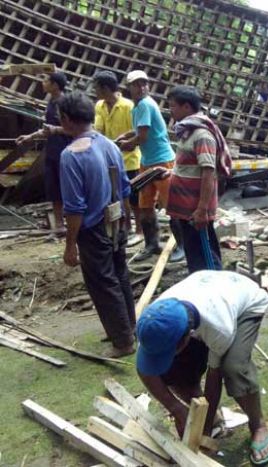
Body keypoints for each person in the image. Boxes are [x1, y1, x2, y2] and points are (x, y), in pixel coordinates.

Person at [136, 270, 268, 466]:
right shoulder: (153, 322)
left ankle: (258, 425)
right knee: (171, 369)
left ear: (185, 339)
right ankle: (202, 413)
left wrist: (204, 433)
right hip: (205, 292)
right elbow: (144, 369)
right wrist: (176, 409)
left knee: (234, 367)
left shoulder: (219, 328)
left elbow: (214, 379)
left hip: (245, 303)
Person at [57, 91, 136, 357]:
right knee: (119, 274)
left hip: (93, 229)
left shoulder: (71, 156)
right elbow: (125, 188)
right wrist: (127, 218)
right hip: (116, 220)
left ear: (66, 119)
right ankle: (127, 329)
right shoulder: (109, 144)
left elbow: (74, 208)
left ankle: (123, 341)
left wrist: (70, 245)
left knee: (103, 282)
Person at [115, 70, 183, 262]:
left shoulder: (145, 104)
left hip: (161, 161)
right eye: (136, 84)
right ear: (129, 88)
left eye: (144, 84)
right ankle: (152, 244)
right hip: (147, 162)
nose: (141, 87)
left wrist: (126, 144)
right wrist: (127, 136)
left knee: (171, 206)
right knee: (145, 205)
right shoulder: (136, 107)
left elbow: (142, 136)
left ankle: (182, 246)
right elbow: (139, 131)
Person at [166, 85, 231, 272]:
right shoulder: (188, 132)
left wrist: (202, 209)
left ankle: (214, 290)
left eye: (173, 107)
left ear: (186, 107)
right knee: (195, 254)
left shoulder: (202, 135)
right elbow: (190, 167)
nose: (170, 111)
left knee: (207, 257)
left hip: (196, 210)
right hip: (187, 209)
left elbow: (208, 172)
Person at [15, 72, 72, 233]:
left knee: (68, 187)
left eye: (46, 80)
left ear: (55, 85)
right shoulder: (52, 102)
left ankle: (75, 222)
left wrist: (55, 130)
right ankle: (60, 225)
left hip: (65, 151)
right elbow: (47, 129)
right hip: (53, 151)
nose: (42, 83)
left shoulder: (64, 103)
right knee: (53, 188)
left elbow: (74, 129)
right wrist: (29, 137)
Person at [93, 70, 143, 245]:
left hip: (130, 158)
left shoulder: (128, 106)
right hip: (109, 159)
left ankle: (139, 231)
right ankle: (126, 227)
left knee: (134, 198)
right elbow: (98, 130)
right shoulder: (99, 105)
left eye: (96, 87)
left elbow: (138, 131)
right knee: (118, 198)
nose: (95, 91)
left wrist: (124, 140)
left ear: (105, 88)